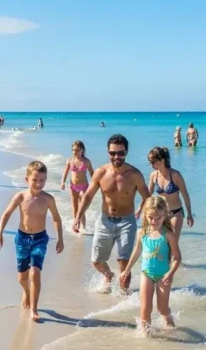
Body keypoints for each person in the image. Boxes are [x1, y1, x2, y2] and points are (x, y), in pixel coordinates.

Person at [72, 134, 151, 293]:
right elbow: (88, 196)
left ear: (126, 152)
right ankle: (108, 275)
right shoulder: (101, 172)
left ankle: (123, 296)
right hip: (104, 221)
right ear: (108, 152)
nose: (117, 156)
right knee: (97, 261)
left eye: (121, 153)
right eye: (113, 153)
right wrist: (78, 217)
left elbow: (149, 200)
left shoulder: (135, 174)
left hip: (127, 222)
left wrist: (155, 224)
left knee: (124, 261)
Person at [0, 161, 64, 322]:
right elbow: (6, 214)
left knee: (35, 271)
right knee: (22, 278)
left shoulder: (48, 199)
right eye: (35, 180)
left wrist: (60, 239)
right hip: (22, 239)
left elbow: (56, 218)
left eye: (43, 180)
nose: (39, 183)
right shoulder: (20, 197)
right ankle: (26, 291)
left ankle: (34, 308)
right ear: (27, 179)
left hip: (40, 239)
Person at [120, 196, 180, 333]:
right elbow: (136, 252)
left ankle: (171, 325)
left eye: (158, 218)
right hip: (146, 273)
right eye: (150, 217)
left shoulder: (168, 235)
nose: (154, 221)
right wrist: (127, 270)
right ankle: (144, 335)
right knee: (145, 307)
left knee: (162, 309)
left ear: (165, 215)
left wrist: (170, 273)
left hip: (163, 275)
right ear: (145, 215)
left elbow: (177, 258)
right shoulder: (142, 233)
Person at [147, 146, 194, 262]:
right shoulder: (154, 176)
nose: (151, 165)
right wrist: (140, 210)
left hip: (175, 213)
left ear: (162, 160)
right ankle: (175, 263)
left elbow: (185, 195)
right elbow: (147, 195)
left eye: (153, 162)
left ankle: (168, 269)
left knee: (171, 243)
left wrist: (189, 214)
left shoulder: (176, 175)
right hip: (160, 215)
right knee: (161, 243)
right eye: (149, 162)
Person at [59, 140, 94, 233]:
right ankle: (76, 226)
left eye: (77, 150)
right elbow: (65, 172)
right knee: (75, 207)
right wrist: (62, 182)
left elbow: (93, 174)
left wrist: (96, 185)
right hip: (73, 186)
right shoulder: (70, 161)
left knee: (81, 206)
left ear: (82, 150)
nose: (75, 152)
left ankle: (84, 227)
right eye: (73, 150)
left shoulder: (86, 162)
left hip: (84, 186)